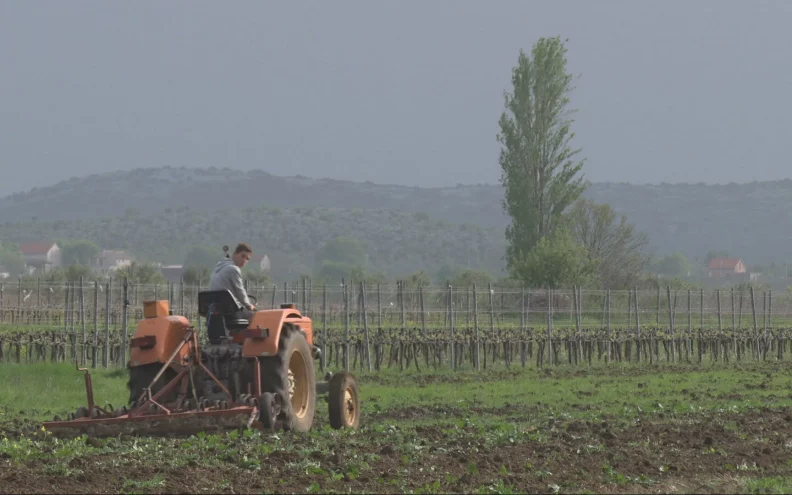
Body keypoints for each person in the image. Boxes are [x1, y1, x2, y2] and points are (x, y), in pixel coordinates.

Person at [209, 242, 257, 320]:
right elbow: (240, 290)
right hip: (230, 311)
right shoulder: (233, 269)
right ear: (235, 253)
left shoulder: (218, 268)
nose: (244, 260)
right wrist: (249, 305)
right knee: (257, 316)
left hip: (214, 309)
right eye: (243, 256)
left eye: (247, 259)